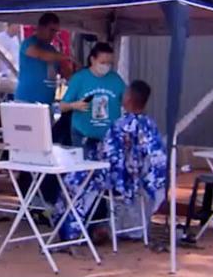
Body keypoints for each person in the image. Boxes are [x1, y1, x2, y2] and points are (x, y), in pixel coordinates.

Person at [56, 80, 166, 243]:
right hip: (140, 181)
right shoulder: (150, 126)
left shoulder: (119, 126)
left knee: (73, 181)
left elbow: (106, 156)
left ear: (128, 99)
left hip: (118, 181)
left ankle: (70, 231)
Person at [59, 42, 126, 157]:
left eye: (109, 63)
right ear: (92, 60)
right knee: (84, 171)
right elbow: (62, 106)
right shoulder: (79, 79)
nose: (106, 66)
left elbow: (127, 100)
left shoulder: (116, 79)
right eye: (102, 62)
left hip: (109, 137)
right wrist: (74, 105)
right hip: (83, 136)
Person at [15, 13, 71, 105]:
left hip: (47, 104)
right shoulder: (29, 43)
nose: (53, 35)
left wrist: (67, 65)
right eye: (51, 30)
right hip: (26, 101)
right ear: (41, 27)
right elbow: (40, 55)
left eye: (56, 32)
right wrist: (65, 56)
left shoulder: (53, 50)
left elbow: (66, 74)